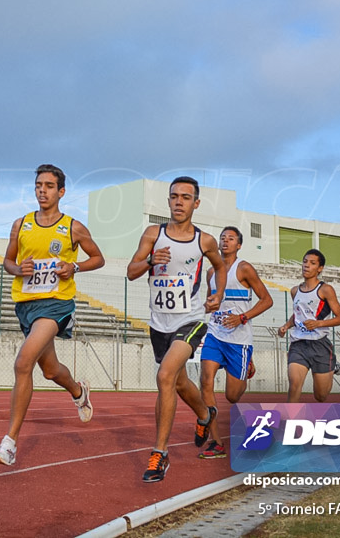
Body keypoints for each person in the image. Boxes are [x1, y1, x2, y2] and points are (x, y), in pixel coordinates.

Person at [0, 164, 105, 466]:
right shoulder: (21, 224)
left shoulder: (73, 227)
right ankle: (79, 391)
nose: (43, 190)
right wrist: (18, 268)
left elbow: (98, 258)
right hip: (26, 305)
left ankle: (9, 443)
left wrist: (74, 266)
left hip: (56, 304)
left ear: (61, 191)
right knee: (50, 370)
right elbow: (8, 261)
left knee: (23, 362)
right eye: (39, 185)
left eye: (49, 186)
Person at [127, 176, 225, 482]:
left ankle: (160, 454)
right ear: (168, 201)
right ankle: (204, 414)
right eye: (174, 196)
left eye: (185, 197)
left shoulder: (204, 240)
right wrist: (149, 261)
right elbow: (131, 272)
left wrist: (217, 294)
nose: (179, 201)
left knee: (165, 376)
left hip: (191, 319)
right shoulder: (153, 234)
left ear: (196, 203)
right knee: (180, 383)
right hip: (160, 323)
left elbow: (220, 267)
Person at [197, 226, 273, 459]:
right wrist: (209, 306)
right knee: (205, 380)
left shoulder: (244, 268)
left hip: (239, 340)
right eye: (222, 238)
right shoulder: (211, 273)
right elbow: (212, 302)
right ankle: (216, 442)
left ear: (238, 245)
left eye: (231, 239)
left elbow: (267, 300)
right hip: (215, 334)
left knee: (232, 396)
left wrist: (242, 317)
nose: (225, 241)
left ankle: (246, 365)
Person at [276, 249, 340, 403]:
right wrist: (286, 326)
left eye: (312, 263)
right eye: (305, 261)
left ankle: (332, 366)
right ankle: (289, 422)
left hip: (320, 345)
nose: (306, 265)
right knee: (294, 384)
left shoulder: (325, 290)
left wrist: (318, 323)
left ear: (319, 268)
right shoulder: (295, 291)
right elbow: (298, 314)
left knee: (320, 396)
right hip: (299, 344)